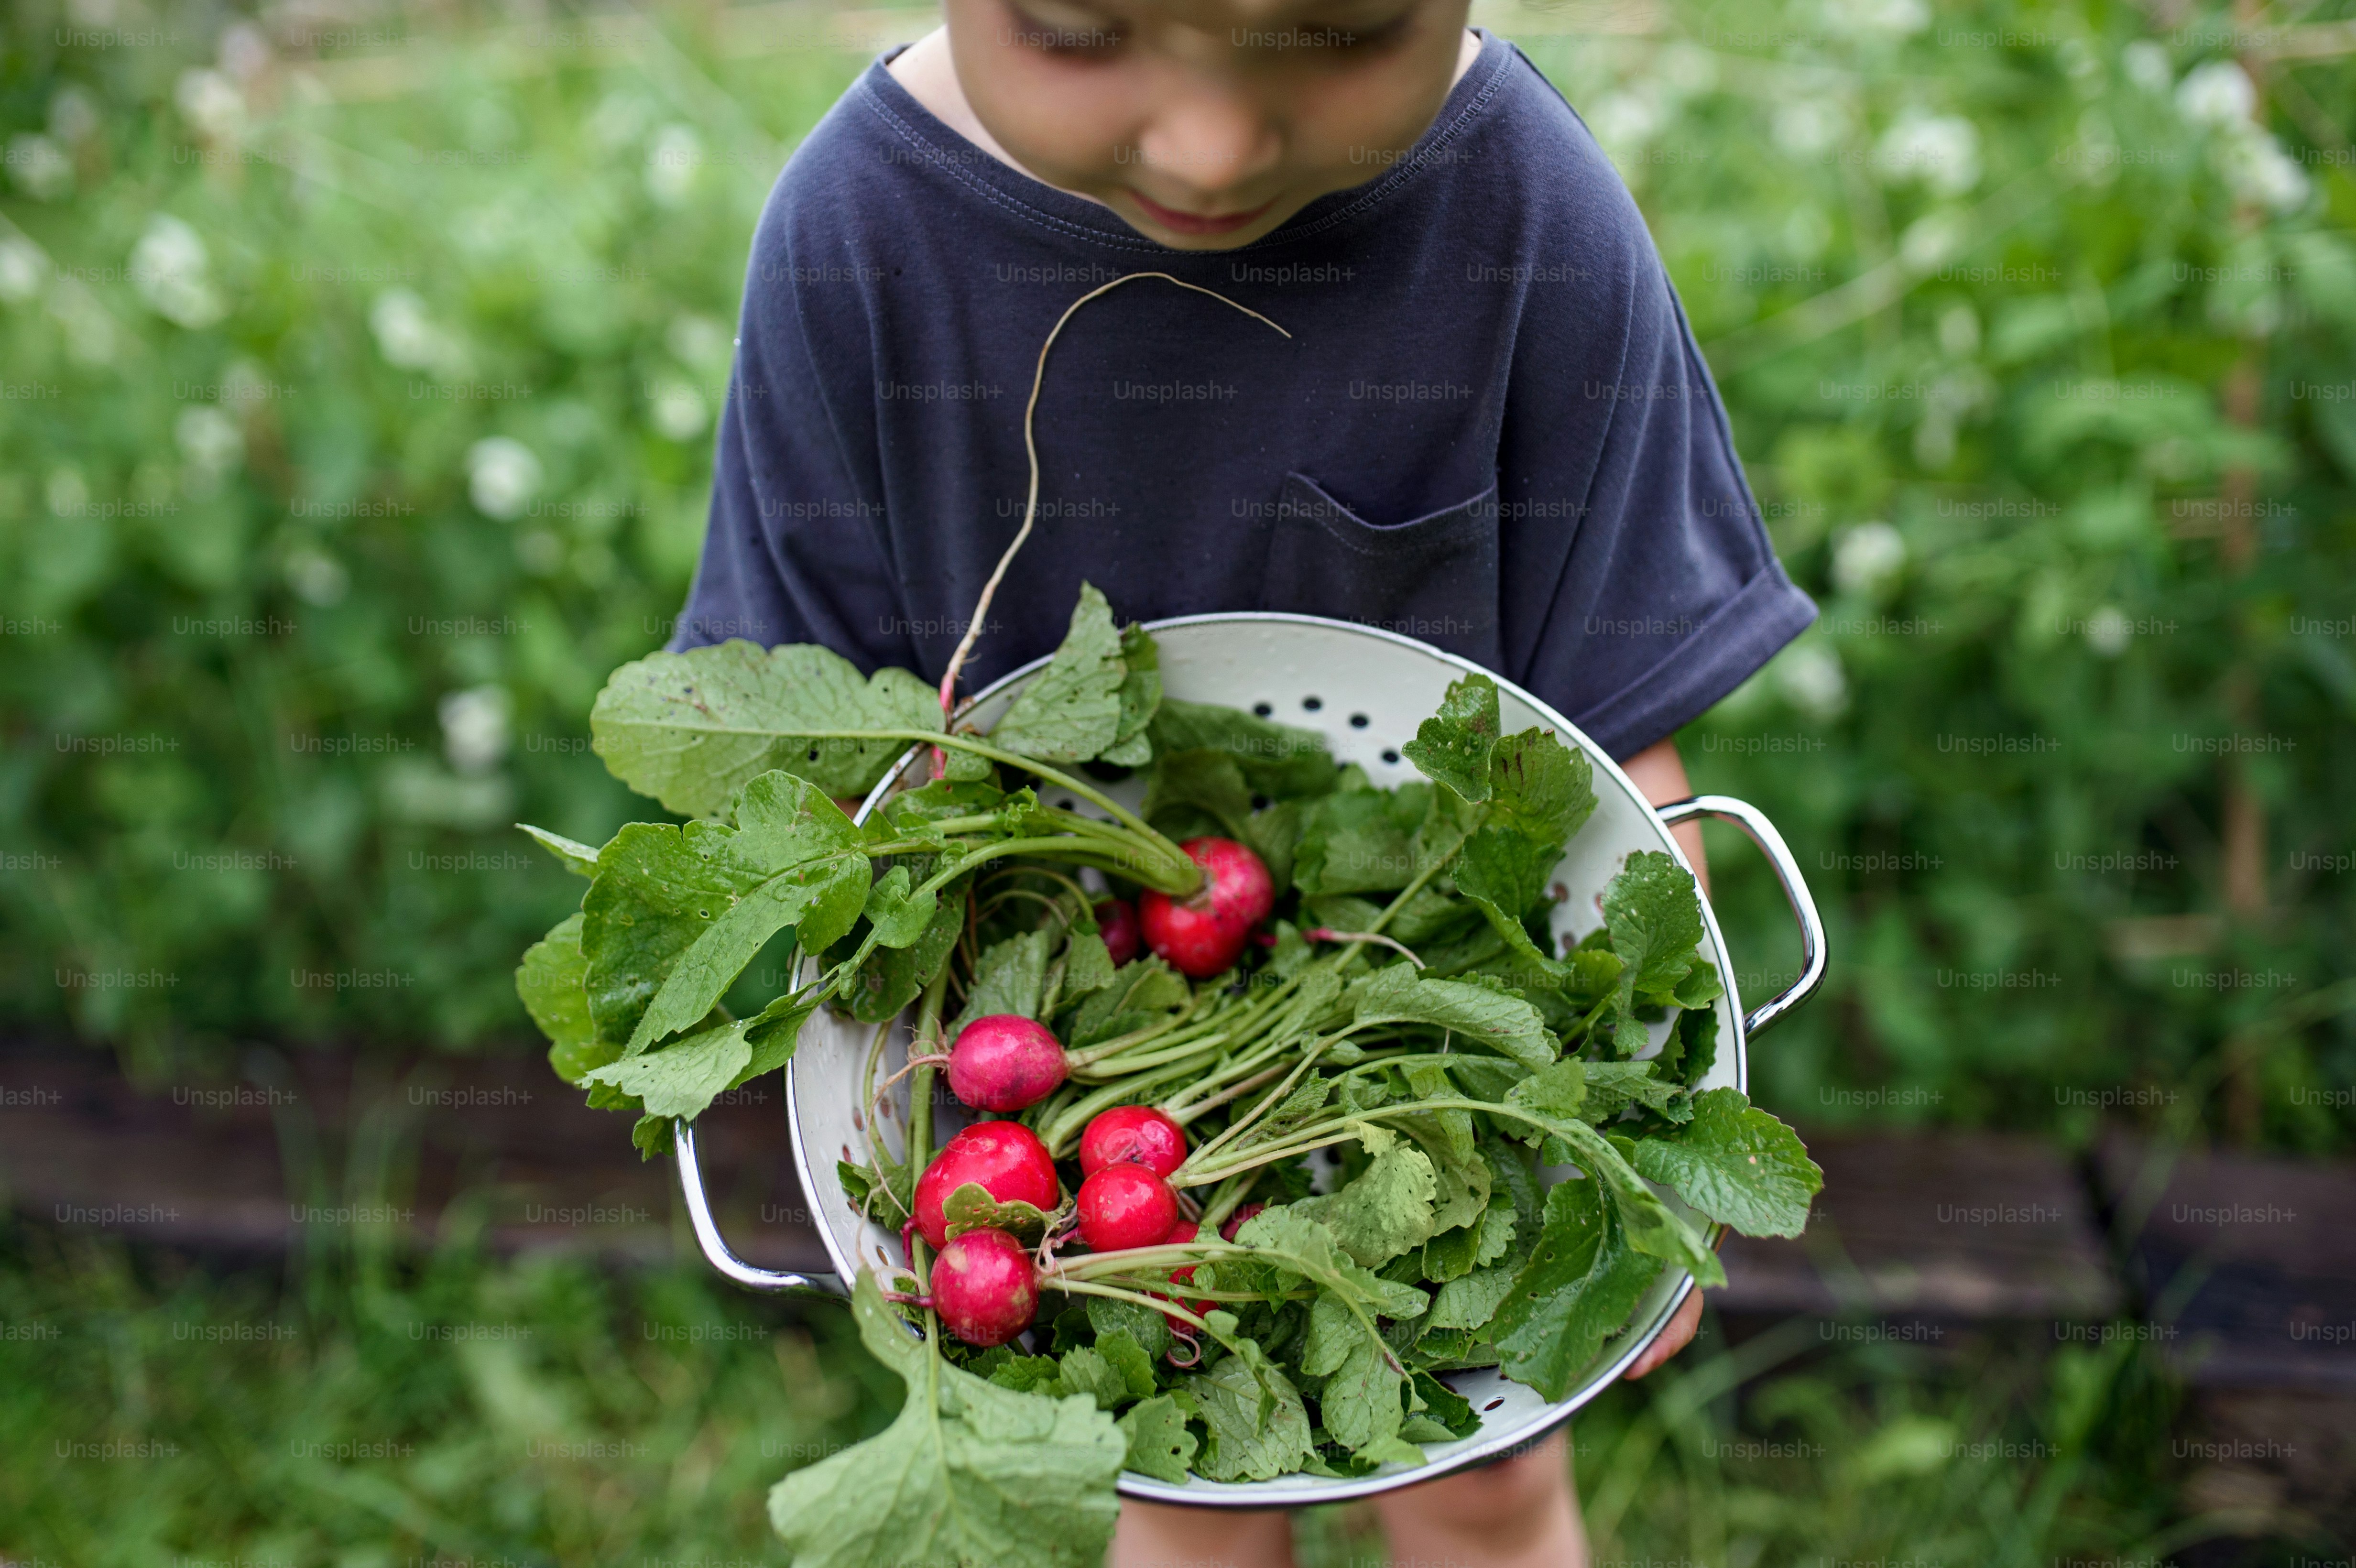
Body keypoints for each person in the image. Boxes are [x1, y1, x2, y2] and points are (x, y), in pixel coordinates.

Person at [666, 0, 1816, 1558]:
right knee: (1176, 1487)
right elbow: (789, 747)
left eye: (1339, 33)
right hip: (1032, 1069)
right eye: (1078, 31)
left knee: (1488, 1477)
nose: (1211, 144)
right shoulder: (859, 239)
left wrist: (1659, 1156)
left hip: (1443, 1051)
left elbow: (1617, 738)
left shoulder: (1526, 217)